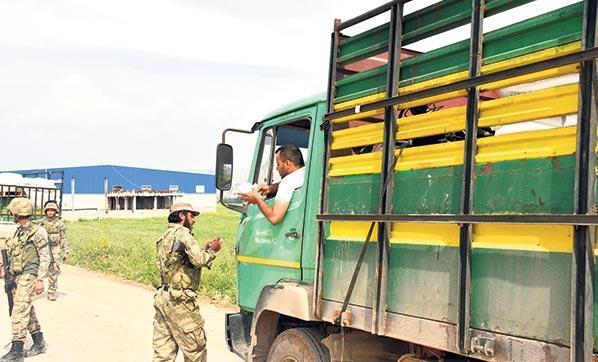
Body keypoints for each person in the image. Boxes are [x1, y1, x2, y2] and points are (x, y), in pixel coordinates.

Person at [153, 202, 222, 362]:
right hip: (180, 301)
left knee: (163, 353)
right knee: (195, 350)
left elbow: (180, 261)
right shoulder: (183, 234)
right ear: (182, 216)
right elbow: (199, 260)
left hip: (163, 297)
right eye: (192, 215)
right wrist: (212, 250)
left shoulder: (164, 236)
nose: (194, 220)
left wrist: (203, 249)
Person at [0, 198, 50, 361]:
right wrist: (4, 268)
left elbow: (45, 257)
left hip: (30, 275)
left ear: (17, 213)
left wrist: (40, 279)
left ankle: (17, 349)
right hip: (17, 275)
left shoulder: (38, 232)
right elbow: (11, 253)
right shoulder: (18, 231)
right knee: (26, 309)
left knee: (18, 311)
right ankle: (39, 341)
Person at [239, 144, 305, 225]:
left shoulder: (287, 183)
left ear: (287, 163)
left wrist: (257, 199)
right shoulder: (307, 172)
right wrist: (270, 188)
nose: (277, 168)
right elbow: (295, 180)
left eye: (278, 164)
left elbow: (275, 218)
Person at [39, 201, 69, 301]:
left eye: (52, 210)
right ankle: (36, 287)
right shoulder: (41, 223)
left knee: (54, 270)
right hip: (43, 248)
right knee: (39, 269)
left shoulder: (60, 223)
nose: (50, 212)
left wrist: (66, 251)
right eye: (48, 210)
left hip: (55, 249)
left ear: (55, 211)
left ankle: (51, 292)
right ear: (45, 211)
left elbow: (63, 237)